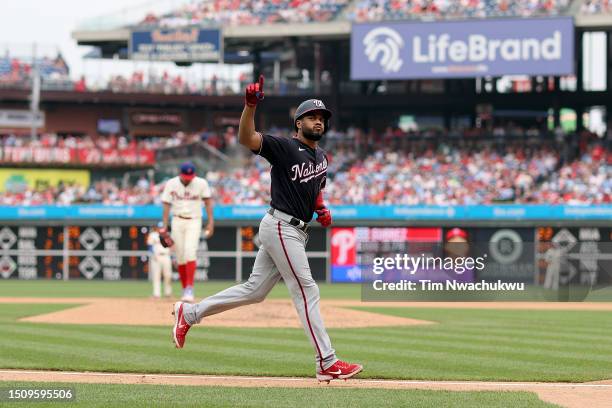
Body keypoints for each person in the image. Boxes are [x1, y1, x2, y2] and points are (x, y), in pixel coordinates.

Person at [172, 75, 363, 382]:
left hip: (294, 229)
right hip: (281, 225)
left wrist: (321, 209)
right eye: (311, 117)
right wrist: (249, 106)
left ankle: (190, 313)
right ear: (298, 123)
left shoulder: (321, 157)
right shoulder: (284, 147)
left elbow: (315, 191)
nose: (318, 121)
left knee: (254, 290)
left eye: (321, 118)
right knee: (307, 289)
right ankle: (327, 361)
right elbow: (247, 138)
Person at [161, 162, 214, 302]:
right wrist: (164, 225)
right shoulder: (171, 183)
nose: (188, 179)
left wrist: (211, 222)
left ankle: (189, 288)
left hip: (194, 220)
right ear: (180, 173)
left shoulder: (201, 183)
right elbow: (166, 203)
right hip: (177, 220)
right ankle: (185, 289)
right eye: (186, 176)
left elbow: (208, 202)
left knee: (190, 251)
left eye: (190, 176)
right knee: (180, 256)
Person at [147, 223, 172, 298]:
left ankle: (168, 293)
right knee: (156, 276)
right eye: (159, 227)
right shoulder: (153, 235)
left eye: (162, 227)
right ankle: (156, 294)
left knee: (168, 276)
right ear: (157, 228)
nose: (161, 228)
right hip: (156, 256)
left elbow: (171, 246)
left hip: (166, 256)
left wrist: (172, 257)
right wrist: (153, 254)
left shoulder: (167, 235)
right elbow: (150, 246)